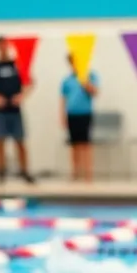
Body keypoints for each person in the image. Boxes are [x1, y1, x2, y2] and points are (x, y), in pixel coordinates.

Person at [0, 36, 34, 185]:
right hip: (0, 111)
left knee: (20, 141)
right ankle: (0, 172)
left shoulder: (17, 65)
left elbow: (30, 82)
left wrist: (22, 95)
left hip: (15, 109)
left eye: (5, 45)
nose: (2, 48)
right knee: (0, 141)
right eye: (0, 45)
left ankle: (24, 171)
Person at [61, 54, 99, 183]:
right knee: (74, 145)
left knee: (86, 144)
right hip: (72, 114)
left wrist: (85, 82)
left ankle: (88, 174)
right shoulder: (66, 81)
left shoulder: (90, 76)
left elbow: (95, 92)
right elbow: (63, 99)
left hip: (85, 114)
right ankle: (75, 173)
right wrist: (63, 116)